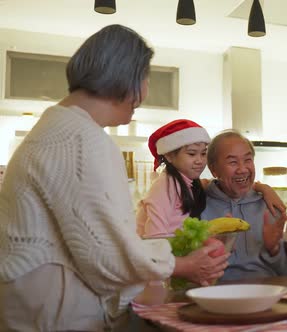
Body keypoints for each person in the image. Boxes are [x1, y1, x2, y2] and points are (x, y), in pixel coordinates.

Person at [0, 25, 228, 331]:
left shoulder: (54, 129)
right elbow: (108, 255)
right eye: (146, 76)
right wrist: (184, 264)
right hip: (58, 318)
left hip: (30, 310)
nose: (146, 91)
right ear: (126, 78)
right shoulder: (83, 140)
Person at [136, 119, 286, 239]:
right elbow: (154, 237)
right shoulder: (165, 186)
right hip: (160, 266)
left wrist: (263, 188)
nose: (200, 161)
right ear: (169, 155)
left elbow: (220, 182)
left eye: (203, 154)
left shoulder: (189, 185)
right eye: (191, 154)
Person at [201, 130, 287, 280]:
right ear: (213, 169)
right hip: (216, 293)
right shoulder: (198, 206)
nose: (243, 169)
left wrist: (274, 249)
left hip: (265, 290)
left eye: (248, 160)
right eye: (233, 162)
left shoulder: (270, 206)